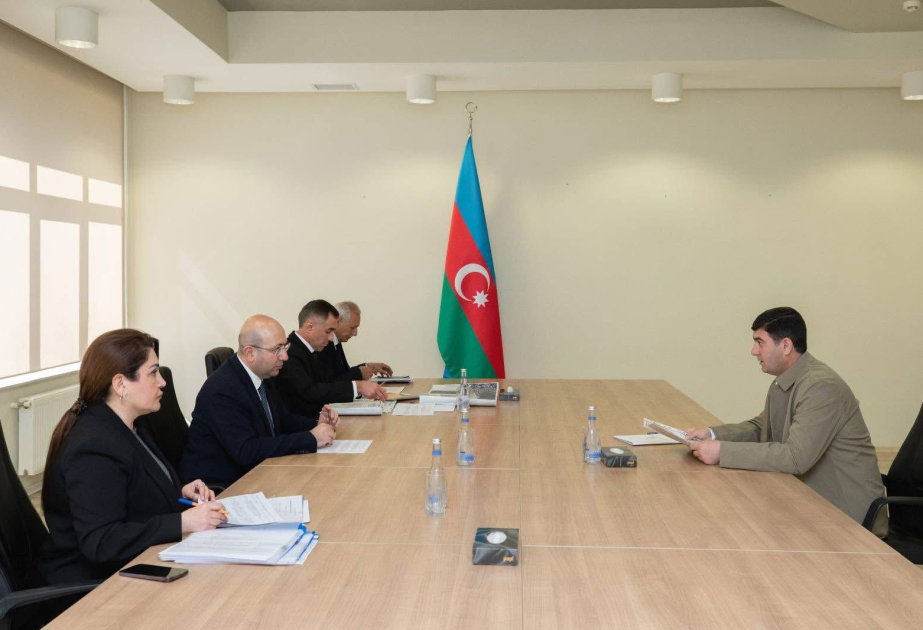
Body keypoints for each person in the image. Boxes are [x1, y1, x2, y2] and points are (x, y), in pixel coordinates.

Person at [38, 329, 226, 585]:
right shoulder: (93, 447)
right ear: (120, 384)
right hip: (97, 585)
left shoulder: (131, 425)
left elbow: (131, 491)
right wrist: (182, 522)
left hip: (136, 563)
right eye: (153, 373)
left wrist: (181, 492)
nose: (162, 382)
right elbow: (101, 542)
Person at [685, 307, 886, 532]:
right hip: (810, 505)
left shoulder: (820, 386)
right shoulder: (787, 380)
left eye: (760, 342)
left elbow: (795, 457)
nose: (753, 351)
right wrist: (712, 434)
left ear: (786, 346)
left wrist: (722, 452)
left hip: (849, 520)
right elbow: (761, 428)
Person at [179, 315, 338, 487]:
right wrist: (310, 438)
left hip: (257, 472)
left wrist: (316, 423)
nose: (285, 356)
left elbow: (283, 420)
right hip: (221, 486)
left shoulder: (263, 375)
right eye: (277, 349)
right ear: (250, 353)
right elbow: (246, 450)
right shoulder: (222, 390)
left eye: (285, 347)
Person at [276, 300, 387, 417]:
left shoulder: (309, 348)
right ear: (310, 327)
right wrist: (357, 386)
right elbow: (310, 391)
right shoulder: (289, 353)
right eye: (328, 331)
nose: (330, 338)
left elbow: (325, 384)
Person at [320, 300, 393, 382]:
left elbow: (343, 373)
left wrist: (368, 366)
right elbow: (330, 382)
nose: (355, 333)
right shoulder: (323, 344)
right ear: (338, 321)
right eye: (352, 328)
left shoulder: (337, 342)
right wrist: (359, 373)